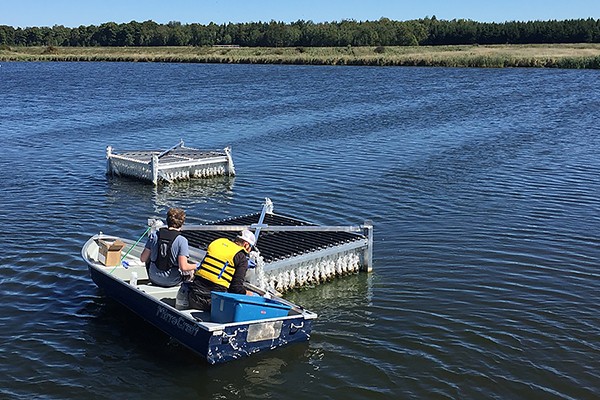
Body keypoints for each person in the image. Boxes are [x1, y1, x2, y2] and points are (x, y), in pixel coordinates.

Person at [188, 228, 256, 311]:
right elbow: (236, 288)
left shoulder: (218, 243)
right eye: (251, 248)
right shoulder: (241, 257)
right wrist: (247, 293)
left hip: (193, 296)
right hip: (213, 303)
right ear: (246, 245)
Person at [140, 207, 197, 287]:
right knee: (191, 270)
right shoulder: (182, 240)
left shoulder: (154, 235)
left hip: (153, 278)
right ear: (182, 223)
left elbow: (143, 259)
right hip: (172, 281)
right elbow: (183, 267)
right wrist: (197, 265)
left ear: (167, 220)